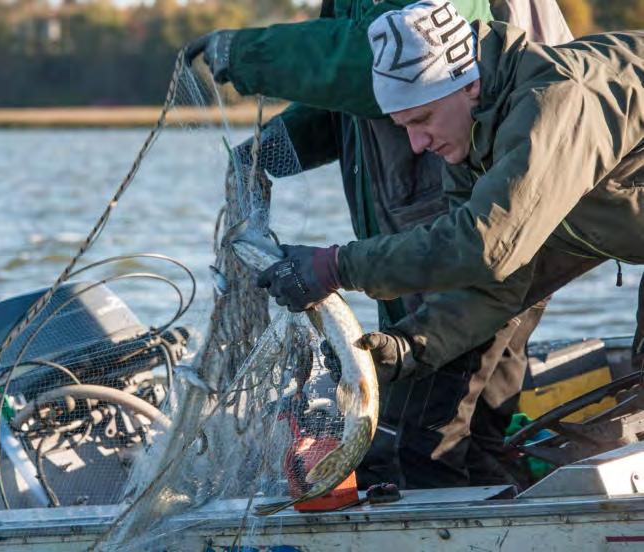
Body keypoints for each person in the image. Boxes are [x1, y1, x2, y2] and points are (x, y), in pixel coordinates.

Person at [186, 0, 572, 489]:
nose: (414, 137)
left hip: (477, 236)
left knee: (425, 439)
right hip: (438, 245)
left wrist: (247, 53)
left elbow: (374, 66)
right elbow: (372, 95)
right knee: (461, 430)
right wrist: (274, 147)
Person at [249, 0, 644, 433]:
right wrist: (406, 347)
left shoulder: (557, 102)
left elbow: (484, 246)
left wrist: (335, 266)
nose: (416, 143)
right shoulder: (470, 136)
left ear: (470, 85)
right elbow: (495, 280)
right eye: (403, 127)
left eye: (422, 119)